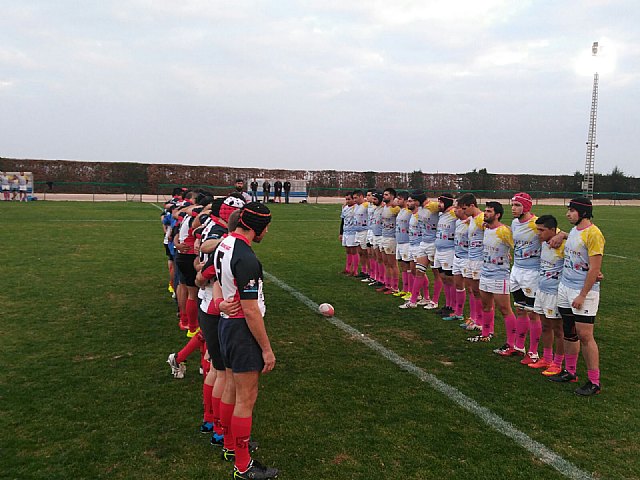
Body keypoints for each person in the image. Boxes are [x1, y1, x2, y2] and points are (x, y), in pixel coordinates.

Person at [213, 202, 278, 479]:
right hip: (242, 331)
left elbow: (215, 280)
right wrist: (267, 349)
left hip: (227, 327)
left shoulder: (224, 243)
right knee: (246, 398)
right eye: (266, 227)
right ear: (256, 227)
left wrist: (219, 303)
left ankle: (230, 445)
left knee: (230, 386)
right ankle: (243, 465)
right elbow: (250, 310)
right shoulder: (246, 257)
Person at [549, 197, 605, 396]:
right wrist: (563, 234)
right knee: (569, 331)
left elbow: (594, 269)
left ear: (582, 213)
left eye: (572, 210)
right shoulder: (573, 231)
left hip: (582, 292)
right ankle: (570, 371)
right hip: (565, 287)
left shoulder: (594, 234)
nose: (568, 214)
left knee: (585, 335)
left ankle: (594, 382)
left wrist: (583, 295)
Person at [467, 202, 516, 346]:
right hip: (485, 274)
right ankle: (486, 334)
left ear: (497, 215)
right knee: (486, 306)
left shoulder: (504, 231)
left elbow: (516, 247)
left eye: (489, 211)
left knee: (505, 310)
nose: (485, 213)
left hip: (500, 276)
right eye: (485, 210)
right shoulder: (486, 229)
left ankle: (511, 343)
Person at [508, 193, 543, 364]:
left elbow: (556, 234)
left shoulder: (537, 224)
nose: (513, 208)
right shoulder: (514, 223)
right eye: (512, 205)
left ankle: (534, 352)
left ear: (526, 207)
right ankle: (519, 347)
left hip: (532, 273)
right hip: (516, 271)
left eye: (517, 205)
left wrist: (561, 236)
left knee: (533, 314)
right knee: (520, 310)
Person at [532, 215, 566, 376]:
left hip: (555, 293)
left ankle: (558, 363)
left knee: (558, 329)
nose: (538, 233)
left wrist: (562, 235)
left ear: (553, 230)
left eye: (542, 230)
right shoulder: (544, 243)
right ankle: (546, 358)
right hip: (541, 290)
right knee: (545, 326)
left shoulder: (563, 244)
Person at [458, 193, 483, 331]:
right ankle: (474, 318)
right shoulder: (473, 219)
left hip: (479, 260)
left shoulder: (482, 219)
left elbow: (495, 231)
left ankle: (481, 321)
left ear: (472, 206)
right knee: (472, 290)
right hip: (470, 258)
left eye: (465, 208)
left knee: (479, 292)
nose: (463, 211)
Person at [433, 193, 458, 318]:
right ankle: (447, 305)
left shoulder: (454, 214)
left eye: (441, 202)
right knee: (443, 277)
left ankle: (454, 306)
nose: (439, 205)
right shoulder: (441, 214)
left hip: (449, 251)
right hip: (439, 250)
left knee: (450, 279)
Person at [378, 188, 400, 294]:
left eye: (386, 194)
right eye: (384, 194)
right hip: (384, 236)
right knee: (386, 263)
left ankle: (394, 287)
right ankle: (387, 284)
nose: (384, 196)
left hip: (391, 238)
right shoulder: (384, 207)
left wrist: (396, 204)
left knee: (392, 264)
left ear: (392, 196)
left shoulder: (395, 209)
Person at [394, 191, 412, 299]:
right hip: (399, 242)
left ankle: (411, 290)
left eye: (400, 199)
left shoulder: (409, 212)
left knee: (409, 266)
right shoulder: (400, 211)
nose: (397, 200)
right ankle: (405, 289)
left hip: (407, 242)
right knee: (403, 266)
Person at [352, 189, 370, 279]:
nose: (354, 200)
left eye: (356, 198)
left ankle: (369, 271)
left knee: (366, 252)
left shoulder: (366, 205)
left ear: (361, 196)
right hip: (357, 231)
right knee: (360, 252)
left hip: (364, 231)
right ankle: (364, 270)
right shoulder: (356, 206)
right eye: (353, 198)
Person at [339, 192, 358, 275]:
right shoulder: (345, 208)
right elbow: (342, 221)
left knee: (353, 251)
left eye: (349, 199)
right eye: (346, 199)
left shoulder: (357, 207)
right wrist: (341, 233)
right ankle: (347, 268)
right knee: (348, 251)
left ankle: (355, 270)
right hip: (346, 232)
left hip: (353, 232)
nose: (347, 201)